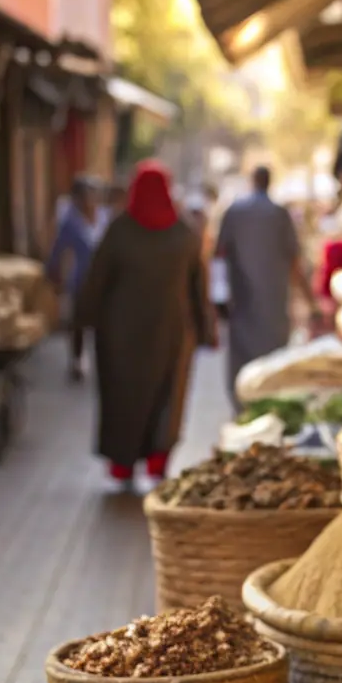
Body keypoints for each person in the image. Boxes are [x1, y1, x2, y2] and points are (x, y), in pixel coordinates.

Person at [76, 160, 217, 486]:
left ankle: (123, 464)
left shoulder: (119, 230)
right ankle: (157, 460)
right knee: (166, 395)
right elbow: (199, 287)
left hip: (119, 336)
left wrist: (82, 320)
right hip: (171, 335)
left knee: (122, 396)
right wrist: (206, 329)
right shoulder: (184, 234)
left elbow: (97, 279)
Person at [216, 165, 312, 407]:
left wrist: (217, 298)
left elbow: (218, 254)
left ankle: (242, 412)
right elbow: (295, 262)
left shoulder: (235, 212)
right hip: (273, 306)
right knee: (272, 367)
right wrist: (309, 298)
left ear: (253, 181)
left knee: (243, 367)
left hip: (242, 304)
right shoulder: (280, 214)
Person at [46, 175, 97, 381]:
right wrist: (52, 272)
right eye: (85, 196)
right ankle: (77, 360)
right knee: (79, 322)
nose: (90, 200)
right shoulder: (71, 221)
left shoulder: (101, 216)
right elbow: (59, 249)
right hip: (81, 279)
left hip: (103, 279)